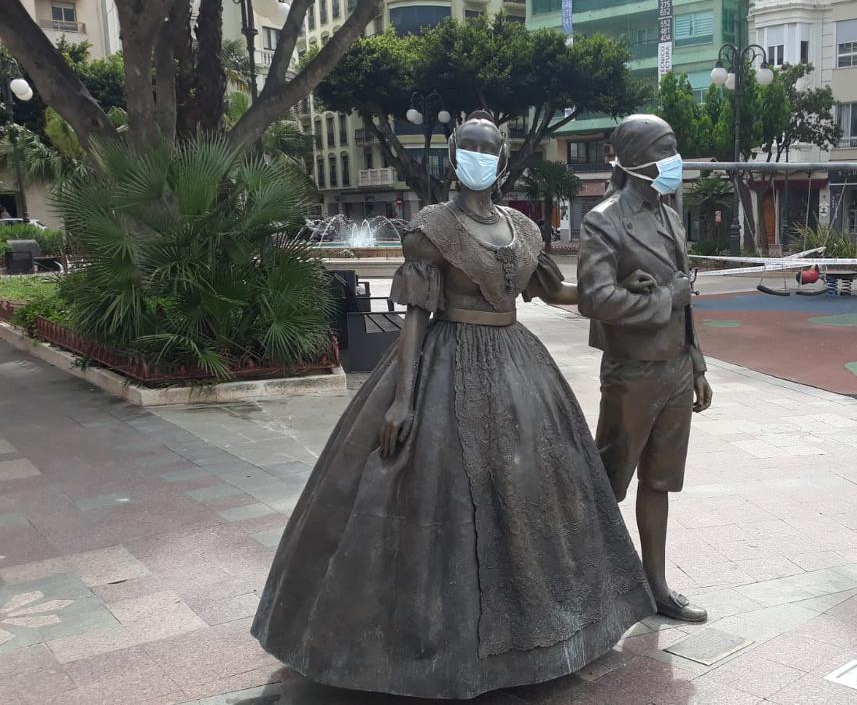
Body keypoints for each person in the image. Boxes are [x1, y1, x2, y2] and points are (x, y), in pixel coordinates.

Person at [252, 112, 656, 700]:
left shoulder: (521, 228)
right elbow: (416, 314)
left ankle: (544, 634)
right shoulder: (432, 227)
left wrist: (615, 290)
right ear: (452, 155)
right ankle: (423, 648)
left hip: (518, 362)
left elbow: (554, 292)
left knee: (532, 493)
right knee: (439, 495)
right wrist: (404, 399)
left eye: (487, 149)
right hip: (447, 357)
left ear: (503, 156)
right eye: (468, 148)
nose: (477, 158)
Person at [576, 114, 713, 624]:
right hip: (632, 373)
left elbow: (686, 302)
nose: (676, 160)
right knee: (608, 483)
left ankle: (657, 588)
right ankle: (588, 586)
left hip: (677, 369)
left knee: (661, 481)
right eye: (669, 149)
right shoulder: (605, 219)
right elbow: (595, 298)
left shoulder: (672, 217)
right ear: (639, 159)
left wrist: (696, 363)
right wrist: (663, 298)